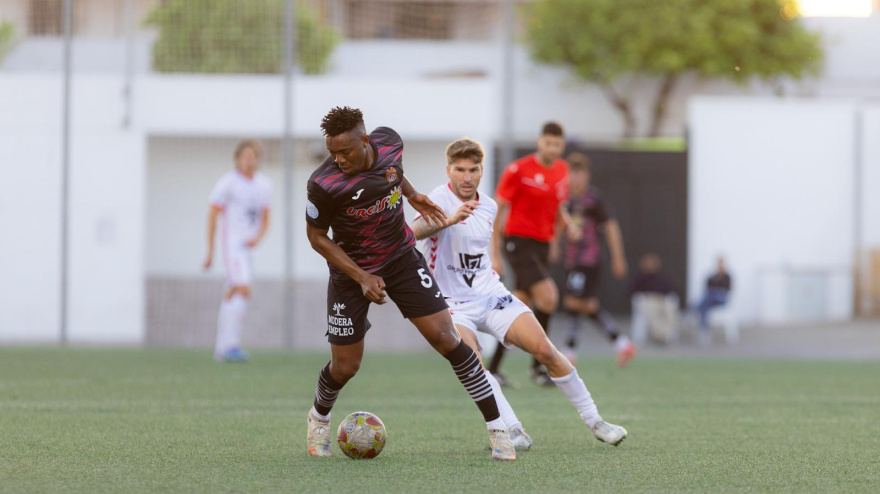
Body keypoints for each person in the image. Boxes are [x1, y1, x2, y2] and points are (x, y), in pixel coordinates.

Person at [304, 107, 515, 461]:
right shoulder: (323, 184)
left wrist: (412, 194)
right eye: (332, 153)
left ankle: (499, 430)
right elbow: (316, 237)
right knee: (346, 367)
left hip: (401, 258)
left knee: (448, 339)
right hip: (350, 274)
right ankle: (318, 417)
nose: (338, 159)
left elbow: (393, 173)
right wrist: (362, 276)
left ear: (366, 141)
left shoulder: (389, 142)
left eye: (345, 151)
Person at [413, 137, 628, 449]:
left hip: (489, 294)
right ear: (449, 170)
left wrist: (493, 263)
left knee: (546, 350)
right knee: (474, 364)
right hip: (451, 304)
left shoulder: (487, 206)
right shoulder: (438, 199)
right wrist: (449, 220)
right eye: (459, 170)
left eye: (473, 170)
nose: (466, 176)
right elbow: (414, 232)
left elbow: (481, 246)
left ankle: (596, 421)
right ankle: (513, 429)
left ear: (481, 171)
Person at [488, 122, 575, 386]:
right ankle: (539, 369)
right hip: (518, 242)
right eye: (548, 142)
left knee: (519, 305)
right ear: (540, 142)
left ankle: (492, 370)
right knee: (548, 298)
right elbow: (498, 210)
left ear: (562, 145)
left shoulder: (562, 170)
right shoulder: (518, 170)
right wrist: (495, 254)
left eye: (557, 143)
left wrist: (566, 229)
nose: (552, 147)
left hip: (542, 245)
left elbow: (558, 208)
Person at [560, 152, 636, 367]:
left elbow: (611, 227)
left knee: (573, 302)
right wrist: (555, 246)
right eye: (571, 174)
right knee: (587, 305)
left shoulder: (593, 200)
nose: (575, 179)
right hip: (570, 260)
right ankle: (622, 343)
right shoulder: (563, 198)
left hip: (588, 260)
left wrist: (618, 258)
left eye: (579, 174)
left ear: (587, 176)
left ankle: (570, 351)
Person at [203, 140, 271, 363]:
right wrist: (210, 251)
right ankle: (229, 346)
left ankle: (222, 348)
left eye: (253, 156)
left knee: (234, 293)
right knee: (242, 289)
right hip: (232, 246)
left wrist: (258, 237)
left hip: (248, 249)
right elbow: (213, 213)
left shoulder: (264, 185)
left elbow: (266, 215)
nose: (249, 160)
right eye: (245, 156)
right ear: (238, 159)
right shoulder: (228, 183)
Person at [629, 253, 680, 345]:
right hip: (648, 299)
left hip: (662, 299)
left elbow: (671, 289)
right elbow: (631, 291)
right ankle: (660, 335)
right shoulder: (640, 277)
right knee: (651, 309)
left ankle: (667, 333)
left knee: (670, 309)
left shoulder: (662, 277)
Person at [696, 257, 732, 343]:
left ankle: (696, 307)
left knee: (709, 298)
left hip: (721, 298)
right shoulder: (712, 276)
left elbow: (727, 289)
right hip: (711, 300)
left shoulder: (727, 276)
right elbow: (707, 287)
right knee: (704, 308)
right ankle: (705, 330)